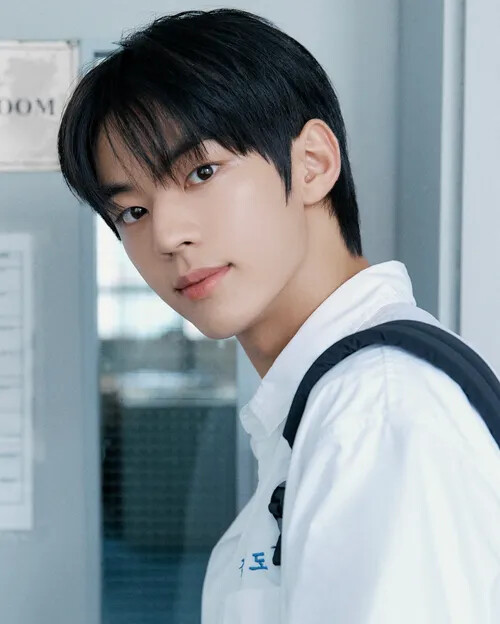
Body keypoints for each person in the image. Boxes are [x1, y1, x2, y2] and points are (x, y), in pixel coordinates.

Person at [57, 8, 500, 623]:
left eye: (201, 172)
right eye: (132, 211)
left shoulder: (376, 411)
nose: (166, 235)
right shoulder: (335, 401)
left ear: (313, 163)